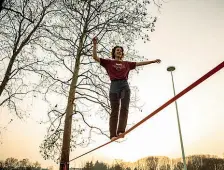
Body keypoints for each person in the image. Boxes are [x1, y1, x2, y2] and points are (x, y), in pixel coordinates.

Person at [92, 37, 161, 140]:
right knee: (114, 110)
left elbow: (140, 63)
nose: (119, 51)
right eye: (117, 50)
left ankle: (121, 131)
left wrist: (153, 61)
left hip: (124, 86)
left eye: (121, 51)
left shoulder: (127, 64)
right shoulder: (108, 63)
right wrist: (95, 45)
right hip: (114, 86)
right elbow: (95, 57)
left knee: (124, 108)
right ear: (114, 53)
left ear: (122, 54)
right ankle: (112, 135)